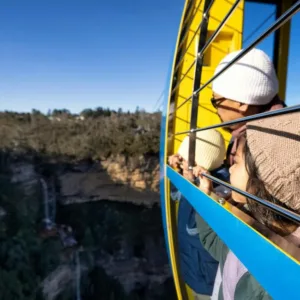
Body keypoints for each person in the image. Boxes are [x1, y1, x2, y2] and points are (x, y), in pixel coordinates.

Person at [193, 111, 300, 300]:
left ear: (265, 183)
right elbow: (219, 244)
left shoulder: (277, 279)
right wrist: (207, 196)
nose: (230, 168)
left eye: (238, 162)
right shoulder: (250, 219)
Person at [168, 129, 230, 300]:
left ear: (200, 163)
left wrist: (201, 191)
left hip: (207, 282)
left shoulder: (221, 189)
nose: (181, 162)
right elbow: (175, 196)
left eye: (184, 159)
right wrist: (180, 175)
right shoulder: (197, 181)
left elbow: (198, 231)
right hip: (195, 272)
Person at [211, 48, 285, 165]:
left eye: (215, 101)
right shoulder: (243, 130)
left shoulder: (269, 150)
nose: (216, 109)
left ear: (242, 103)